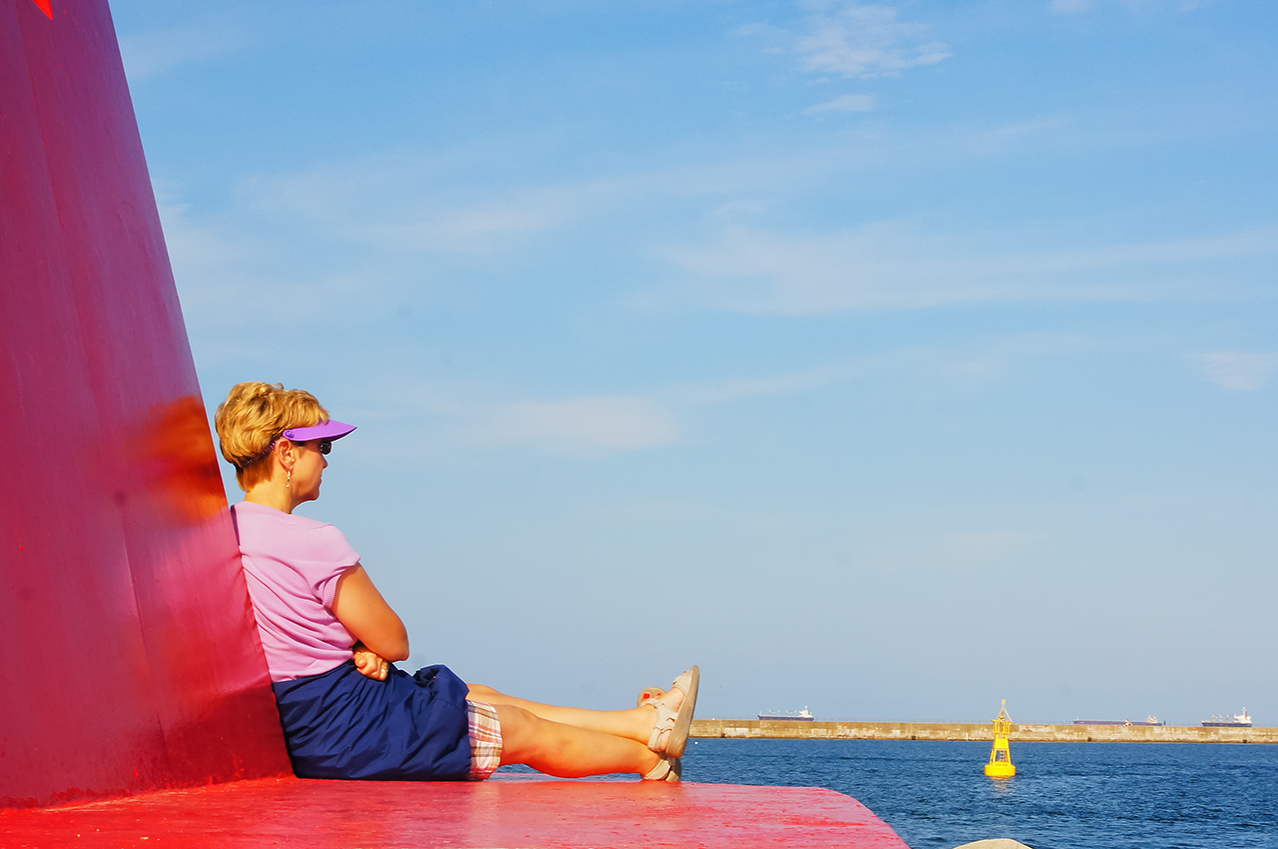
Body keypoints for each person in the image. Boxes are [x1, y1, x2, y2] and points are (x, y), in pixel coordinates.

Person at [214, 381, 698, 783]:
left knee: (476, 694)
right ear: (286, 453)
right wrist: (369, 645)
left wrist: (361, 647)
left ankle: (644, 725)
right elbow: (395, 641)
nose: (326, 460)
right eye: (322, 447)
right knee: (520, 730)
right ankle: (650, 761)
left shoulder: (222, 533)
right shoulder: (312, 540)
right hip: (351, 726)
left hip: (309, 725)